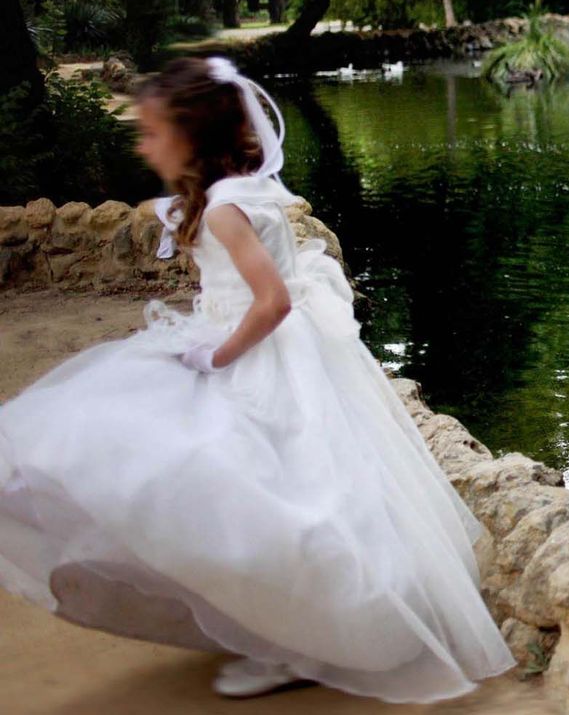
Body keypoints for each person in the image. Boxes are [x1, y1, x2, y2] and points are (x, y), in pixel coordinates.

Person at [0, 56, 515, 701]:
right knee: (303, 488)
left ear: (191, 138)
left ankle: (299, 640)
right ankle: (303, 623)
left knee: (263, 497)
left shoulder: (223, 208)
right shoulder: (244, 189)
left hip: (255, 350)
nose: (143, 145)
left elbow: (272, 301)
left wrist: (215, 357)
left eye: (153, 132)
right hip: (281, 347)